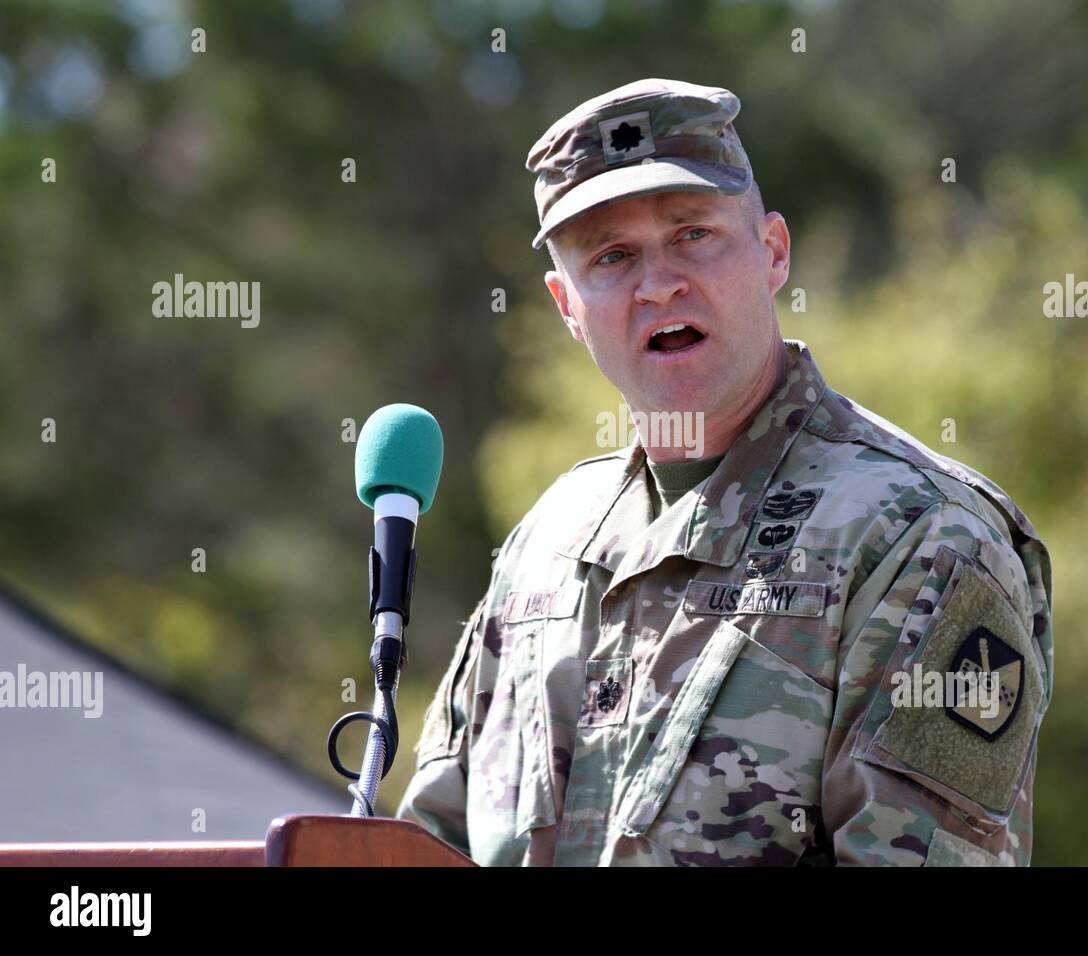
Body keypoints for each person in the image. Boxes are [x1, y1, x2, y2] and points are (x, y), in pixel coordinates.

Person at [396, 78, 1053, 866]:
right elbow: (426, 844)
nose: (659, 282)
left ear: (773, 252)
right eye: (611, 256)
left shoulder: (917, 533)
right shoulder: (545, 545)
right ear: (567, 307)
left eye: (694, 234)